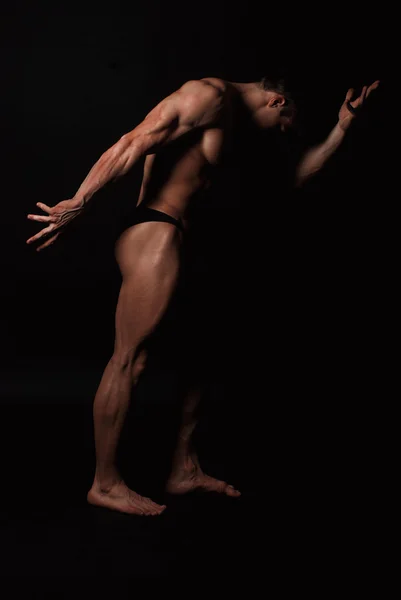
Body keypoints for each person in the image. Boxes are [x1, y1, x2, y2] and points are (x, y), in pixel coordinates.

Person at [26, 76, 379, 515]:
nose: (281, 136)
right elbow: (134, 141)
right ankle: (105, 483)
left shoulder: (239, 127)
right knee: (130, 360)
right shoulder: (208, 95)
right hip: (156, 231)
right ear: (277, 101)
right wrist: (81, 200)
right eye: (284, 126)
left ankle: (183, 468)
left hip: (184, 241)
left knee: (205, 354)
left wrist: (342, 129)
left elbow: (291, 180)